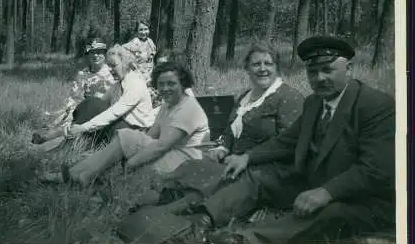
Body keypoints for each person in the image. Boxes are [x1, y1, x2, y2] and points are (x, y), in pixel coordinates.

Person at [184, 36, 396, 244]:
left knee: (331, 213)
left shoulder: (375, 105)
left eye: (328, 70)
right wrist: (247, 157)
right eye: (313, 72)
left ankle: (244, 241)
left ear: (349, 68)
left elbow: (374, 170)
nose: (320, 78)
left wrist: (327, 192)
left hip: (362, 200)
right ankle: (203, 219)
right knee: (259, 177)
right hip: (315, 183)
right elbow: (287, 140)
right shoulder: (314, 102)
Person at [125, 42, 305, 223]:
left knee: (218, 179)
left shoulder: (288, 98)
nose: (262, 69)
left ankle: (168, 214)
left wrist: (248, 157)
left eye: (268, 63)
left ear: (277, 67)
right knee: (194, 166)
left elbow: (289, 144)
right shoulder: (245, 97)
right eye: (256, 64)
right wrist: (223, 148)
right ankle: (157, 201)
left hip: (269, 172)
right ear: (247, 68)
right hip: (237, 163)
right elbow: (229, 132)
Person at [37, 61, 211, 186]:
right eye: (162, 84)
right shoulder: (168, 106)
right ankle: (76, 174)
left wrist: (129, 164)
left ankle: (83, 175)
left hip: (182, 164)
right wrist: (128, 150)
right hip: (168, 156)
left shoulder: (189, 108)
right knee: (126, 139)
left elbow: (161, 147)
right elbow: (150, 136)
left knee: (128, 140)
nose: (165, 89)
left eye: (171, 84)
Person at [31, 37, 115, 145]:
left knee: (80, 127)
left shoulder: (112, 73)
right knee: (69, 118)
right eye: (92, 52)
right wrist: (71, 110)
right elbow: (75, 97)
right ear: (88, 55)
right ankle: (47, 137)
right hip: (83, 109)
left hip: (103, 110)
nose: (95, 55)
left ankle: (49, 138)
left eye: (99, 52)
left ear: (105, 54)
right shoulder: (83, 74)